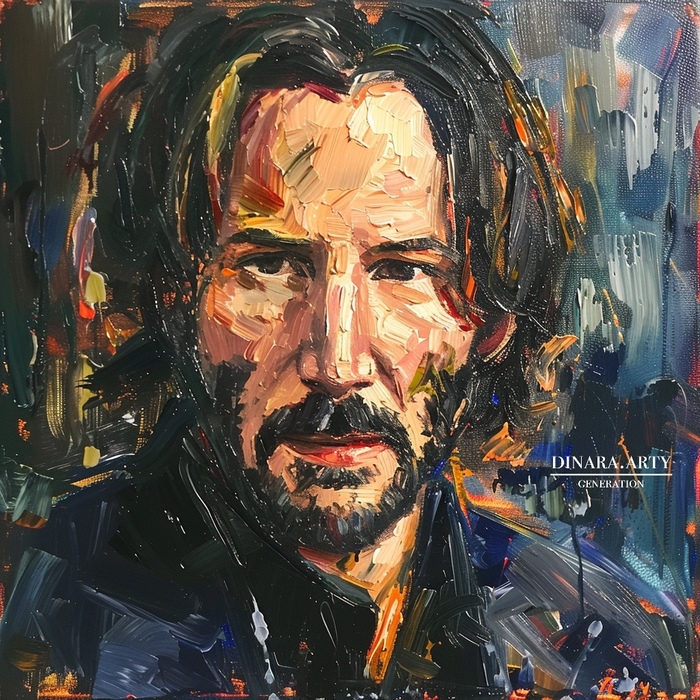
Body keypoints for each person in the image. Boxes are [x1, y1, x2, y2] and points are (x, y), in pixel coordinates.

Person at [0, 1, 691, 698]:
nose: (336, 363)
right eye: (270, 266)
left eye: (403, 270)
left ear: (490, 319)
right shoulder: (58, 622)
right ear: (180, 295)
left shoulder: (599, 649)